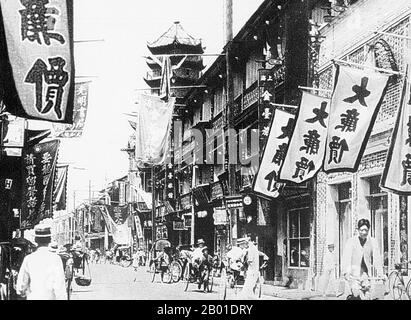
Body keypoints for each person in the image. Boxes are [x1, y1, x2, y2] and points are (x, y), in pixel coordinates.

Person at [16, 225, 66, 300]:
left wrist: (25, 293)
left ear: (36, 240)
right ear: (49, 240)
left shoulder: (28, 259)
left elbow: (21, 286)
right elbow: (60, 287)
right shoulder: (56, 259)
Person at [342, 218, 384, 300]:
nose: (364, 233)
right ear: (358, 230)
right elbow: (346, 258)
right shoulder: (351, 241)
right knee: (356, 293)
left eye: (366, 230)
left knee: (368, 294)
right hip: (353, 275)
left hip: (366, 274)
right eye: (362, 230)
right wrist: (345, 273)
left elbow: (377, 259)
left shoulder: (372, 241)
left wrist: (381, 273)